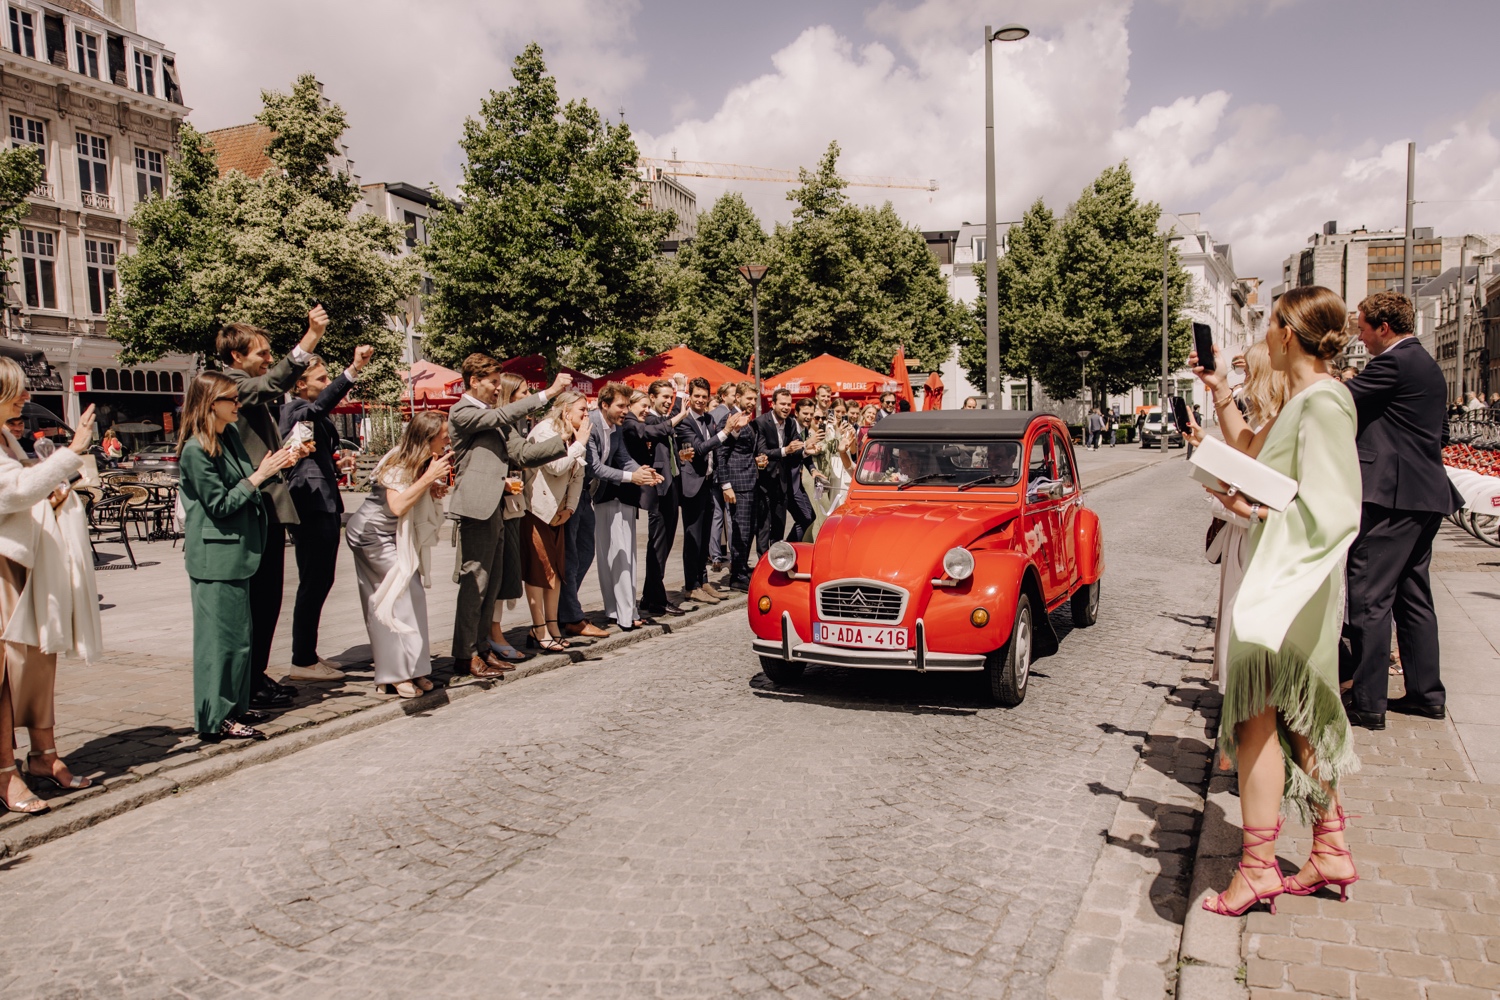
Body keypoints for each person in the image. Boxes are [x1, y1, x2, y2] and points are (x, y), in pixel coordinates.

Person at [1192, 286, 1363, 918]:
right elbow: (1249, 451)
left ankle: (1259, 868)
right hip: (1291, 580)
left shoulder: (1324, 403)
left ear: (1288, 332)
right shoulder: (1306, 398)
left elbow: (1334, 508)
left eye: (1269, 324)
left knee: (1255, 719)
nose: (1262, 335)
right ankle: (1330, 847)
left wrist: (1255, 511)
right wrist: (1217, 388)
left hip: (1291, 585)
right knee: (1294, 717)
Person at [1339, 291, 1463, 730]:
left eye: (1363, 328)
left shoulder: (1393, 362)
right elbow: (1441, 431)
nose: (1361, 336)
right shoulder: (1425, 364)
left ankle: (1368, 702)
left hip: (1393, 497)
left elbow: (1340, 400)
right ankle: (1426, 694)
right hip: (1426, 493)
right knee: (1413, 597)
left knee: (1370, 597)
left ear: (1383, 328)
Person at [178, 372, 299, 743]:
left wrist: (276, 464)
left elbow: (250, 478)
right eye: (231, 399)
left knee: (240, 639)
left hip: (240, 552)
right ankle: (215, 718)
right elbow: (220, 503)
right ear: (210, 403)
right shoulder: (195, 450)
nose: (238, 404)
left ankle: (236, 705)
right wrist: (260, 475)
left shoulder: (227, 436)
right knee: (219, 643)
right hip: (216, 558)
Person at [0, 370, 100, 815]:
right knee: (6, 671)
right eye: (17, 389)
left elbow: (23, 495)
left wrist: (53, 496)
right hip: (3, 567)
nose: (26, 395)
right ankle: (6, 772)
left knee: (37, 659)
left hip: (21, 561)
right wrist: (71, 453)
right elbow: (12, 492)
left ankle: (43, 755)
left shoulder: (6, 436)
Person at [220, 306, 327, 710]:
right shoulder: (229, 383)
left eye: (269, 354)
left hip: (266, 502)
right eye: (261, 354)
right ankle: (247, 683)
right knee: (259, 600)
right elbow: (271, 384)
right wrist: (310, 337)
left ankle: (256, 676)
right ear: (236, 357)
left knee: (268, 600)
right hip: (251, 503)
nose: (268, 360)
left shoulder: (244, 385)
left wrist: (289, 453)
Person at [449, 355, 571, 678]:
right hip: (477, 506)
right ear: (474, 381)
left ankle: (483, 649)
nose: (496, 388)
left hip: (500, 508)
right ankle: (465, 654)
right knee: (474, 581)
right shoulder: (462, 411)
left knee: (492, 584)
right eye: (492, 382)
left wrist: (567, 441)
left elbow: (523, 454)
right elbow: (502, 415)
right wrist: (548, 393)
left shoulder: (496, 418)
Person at [278, 344, 373, 682]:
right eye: (321, 377)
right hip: (311, 504)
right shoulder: (295, 409)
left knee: (320, 580)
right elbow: (317, 410)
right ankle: (301, 660)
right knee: (314, 581)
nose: (327, 380)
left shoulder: (311, 413)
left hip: (325, 501)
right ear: (300, 385)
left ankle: (307, 654)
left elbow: (307, 451)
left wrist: (335, 461)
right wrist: (352, 371)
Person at [345, 412, 452, 699]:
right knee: (394, 597)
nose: (447, 438)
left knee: (410, 595)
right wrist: (428, 478)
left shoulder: (421, 460)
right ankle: (393, 675)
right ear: (427, 437)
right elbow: (397, 505)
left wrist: (431, 488)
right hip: (370, 534)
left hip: (390, 536)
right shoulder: (397, 461)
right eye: (443, 434)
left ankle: (414, 668)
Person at [1202, 341, 1286, 695]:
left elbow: (1266, 489)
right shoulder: (1265, 418)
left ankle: (1246, 715)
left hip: (1261, 541)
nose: (1243, 382)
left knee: (1249, 637)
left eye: (1249, 373)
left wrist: (1235, 504)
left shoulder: (1284, 417)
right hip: (1248, 535)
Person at [588, 382, 662, 630]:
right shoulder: (591, 424)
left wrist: (642, 471)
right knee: (603, 555)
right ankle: (616, 610)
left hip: (610, 495)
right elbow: (595, 467)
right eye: (621, 406)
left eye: (627, 405)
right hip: (593, 496)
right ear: (604, 405)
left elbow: (622, 458)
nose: (625, 411)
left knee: (620, 554)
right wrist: (633, 477)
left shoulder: (616, 427)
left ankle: (621, 611)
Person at [521, 391, 588, 651]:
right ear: (565, 411)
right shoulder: (545, 430)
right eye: (582, 410)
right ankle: (538, 630)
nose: (586, 415)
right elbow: (556, 467)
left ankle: (552, 625)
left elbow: (579, 474)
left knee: (557, 573)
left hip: (558, 512)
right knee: (540, 572)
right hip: (537, 509)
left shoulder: (576, 434)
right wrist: (579, 443)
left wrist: (570, 508)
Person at [676, 377, 749, 605]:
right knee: (693, 537)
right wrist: (726, 431)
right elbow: (698, 449)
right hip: (692, 485)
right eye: (696, 396)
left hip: (708, 483)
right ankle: (691, 585)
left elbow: (718, 448)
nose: (700, 400)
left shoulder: (708, 418)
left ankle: (702, 580)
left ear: (709, 398)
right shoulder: (685, 421)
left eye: (703, 396)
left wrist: (732, 431)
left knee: (706, 536)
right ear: (690, 397)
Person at [488, 372, 542, 662]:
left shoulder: (515, 423)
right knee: (500, 572)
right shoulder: (500, 423)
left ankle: (495, 632)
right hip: (496, 506)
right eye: (522, 393)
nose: (527, 398)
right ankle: (493, 633)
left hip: (513, 504)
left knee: (509, 570)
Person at [628, 378, 693, 619]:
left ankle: (650, 594)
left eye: (670, 396)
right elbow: (659, 426)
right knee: (658, 545)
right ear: (652, 397)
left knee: (663, 547)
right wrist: (680, 408)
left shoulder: (662, 419)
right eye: (664, 397)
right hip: (658, 489)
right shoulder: (651, 418)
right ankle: (656, 598)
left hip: (671, 485)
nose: (668, 401)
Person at [719, 383, 761, 591]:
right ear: (737, 398)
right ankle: (737, 575)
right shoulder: (730, 419)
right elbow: (721, 453)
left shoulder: (748, 419)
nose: (752, 403)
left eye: (754, 399)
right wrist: (726, 484)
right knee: (741, 530)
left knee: (750, 528)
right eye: (749, 399)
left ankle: (742, 567)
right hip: (737, 481)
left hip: (750, 478)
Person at [706, 381, 739, 573]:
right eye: (733, 394)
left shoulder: (711, 415)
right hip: (727, 470)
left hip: (714, 472)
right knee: (730, 515)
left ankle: (716, 556)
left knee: (717, 516)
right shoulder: (729, 414)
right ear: (724, 396)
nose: (736, 397)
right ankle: (734, 557)